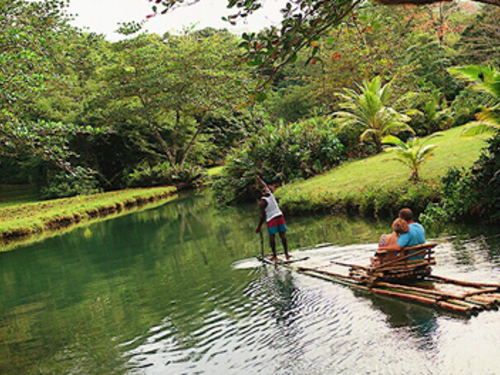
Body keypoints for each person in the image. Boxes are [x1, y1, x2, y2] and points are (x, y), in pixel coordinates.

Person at [255, 176, 289, 261]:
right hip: (279, 215)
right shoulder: (269, 193)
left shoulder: (261, 203)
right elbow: (264, 185)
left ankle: (274, 255)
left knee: (272, 236)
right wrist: (259, 179)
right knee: (282, 235)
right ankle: (286, 253)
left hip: (271, 219)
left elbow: (263, 216)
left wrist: (259, 226)